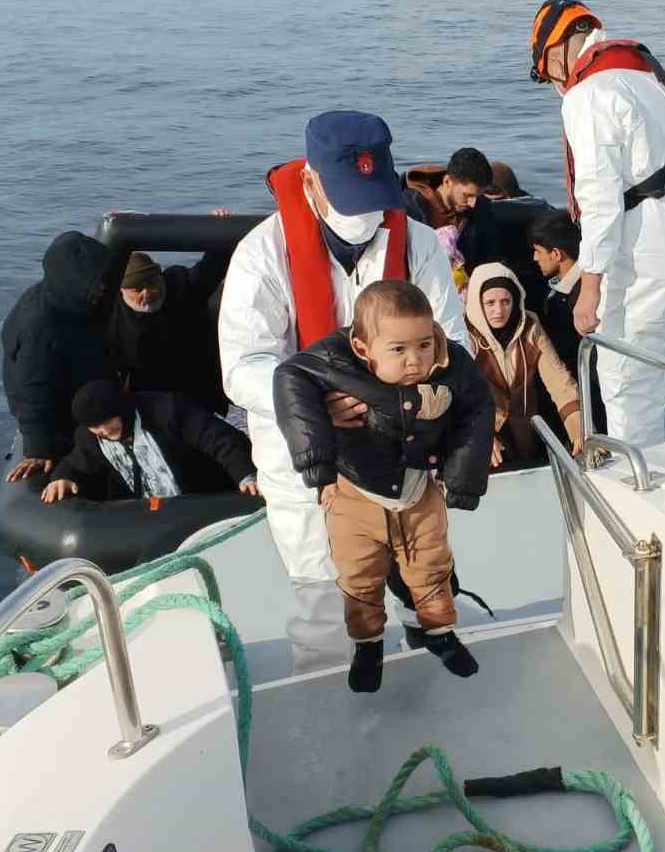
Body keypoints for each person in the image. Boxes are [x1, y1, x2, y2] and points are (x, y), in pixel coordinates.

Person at [218, 110, 468, 672]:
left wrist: (415, 392)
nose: (366, 215)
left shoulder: (420, 246)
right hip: (310, 463)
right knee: (329, 603)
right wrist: (313, 398)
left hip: (400, 452)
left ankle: (424, 687)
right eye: (349, 197)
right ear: (310, 181)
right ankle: (335, 712)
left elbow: (453, 342)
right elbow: (242, 364)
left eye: (373, 197)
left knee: (421, 579)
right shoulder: (262, 255)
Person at [272, 281, 493, 692]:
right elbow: (290, 379)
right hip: (355, 491)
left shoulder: (452, 364)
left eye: (424, 345)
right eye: (399, 350)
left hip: (416, 487)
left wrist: (463, 476)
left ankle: (440, 634)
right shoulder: (331, 362)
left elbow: (477, 407)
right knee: (360, 576)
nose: (415, 360)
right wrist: (316, 459)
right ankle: (368, 645)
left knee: (431, 566)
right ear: (362, 348)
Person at [529, 0, 665, 449]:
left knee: (625, 387)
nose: (553, 85)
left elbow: (599, 200)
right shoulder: (647, 77)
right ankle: (661, 468)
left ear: (555, 52)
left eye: (546, 73)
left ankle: (638, 492)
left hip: (645, 266)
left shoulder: (587, 95)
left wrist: (590, 288)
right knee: (654, 376)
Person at [2, 231, 124, 482]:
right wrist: (39, 448)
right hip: (63, 419)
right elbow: (32, 388)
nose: (102, 287)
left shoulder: (66, 303)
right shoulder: (41, 327)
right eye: (96, 282)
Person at [41, 380, 258, 503]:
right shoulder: (90, 439)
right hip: (146, 517)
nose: (105, 431)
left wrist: (245, 475)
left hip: (200, 499)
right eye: (96, 427)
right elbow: (76, 463)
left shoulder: (168, 411)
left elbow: (220, 438)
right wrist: (62, 477)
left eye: (109, 421)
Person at [464, 262, 585, 468]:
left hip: (528, 434)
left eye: (505, 301)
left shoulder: (529, 326)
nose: (498, 311)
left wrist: (579, 431)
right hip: (485, 442)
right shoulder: (465, 335)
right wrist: (477, 434)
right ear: (477, 303)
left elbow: (560, 382)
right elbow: (457, 395)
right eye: (490, 303)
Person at [108, 249, 231, 413]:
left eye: (152, 284)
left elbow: (215, 263)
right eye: (138, 289)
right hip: (145, 396)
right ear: (122, 291)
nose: (147, 292)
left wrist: (220, 228)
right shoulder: (110, 312)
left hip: (193, 388)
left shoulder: (181, 285)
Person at [529, 208, 606, 430]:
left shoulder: (580, 297)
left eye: (537, 251)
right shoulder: (560, 287)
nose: (534, 258)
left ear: (556, 254)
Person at [402, 146, 506, 275]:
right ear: (447, 182)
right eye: (467, 195)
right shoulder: (409, 208)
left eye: (478, 196)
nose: (472, 204)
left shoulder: (481, 207)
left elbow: (490, 257)